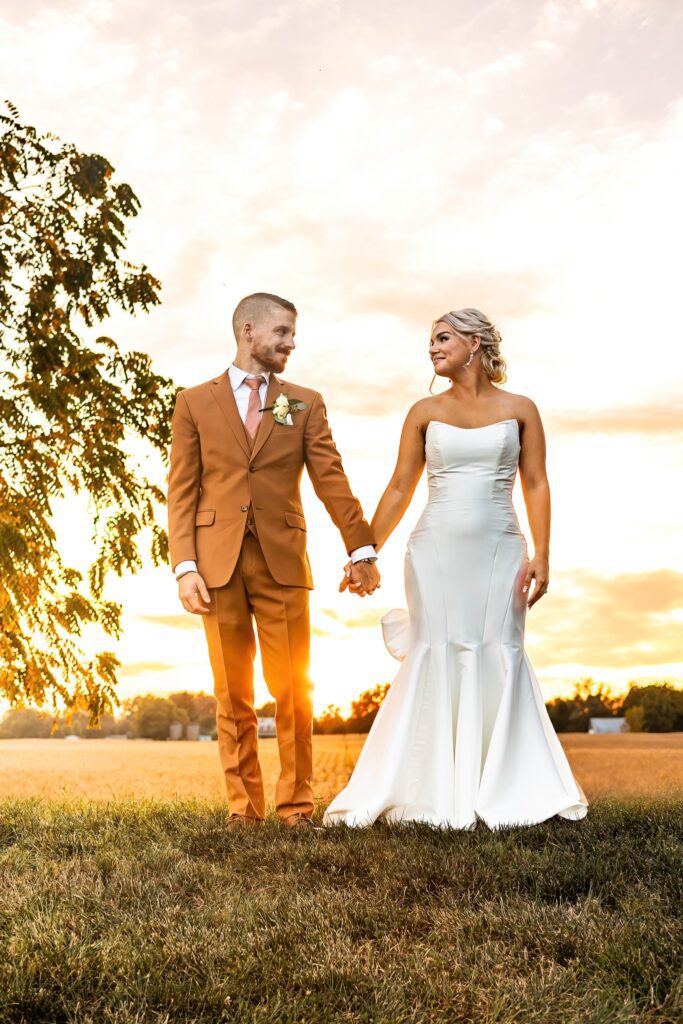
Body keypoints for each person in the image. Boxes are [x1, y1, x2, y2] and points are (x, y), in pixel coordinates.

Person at [325, 308, 588, 829]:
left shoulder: (522, 408)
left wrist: (543, 553)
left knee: (500, 650)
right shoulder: (423, 411)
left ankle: (507, 788)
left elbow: (535, 482)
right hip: (434, 552)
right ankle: (430, 789)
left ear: (476, 343)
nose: (432, 347)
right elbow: (401, 485)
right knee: (436, 651)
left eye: (442, 338)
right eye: (430, 340)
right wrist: (365, 551)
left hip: (500, 550)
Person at [167, 292, 380, 828]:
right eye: (282, 332)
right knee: (231, 692)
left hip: (283, 561)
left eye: (292, 333)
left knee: (292, 687)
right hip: (216, 566)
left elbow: (331, 479)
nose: (291, 342)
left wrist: (360, 548)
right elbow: (182, 491)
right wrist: (185, 565)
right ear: (248, 330)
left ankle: (296, 808)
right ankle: (244, 811)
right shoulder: (194, 402)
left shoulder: (304, 402)